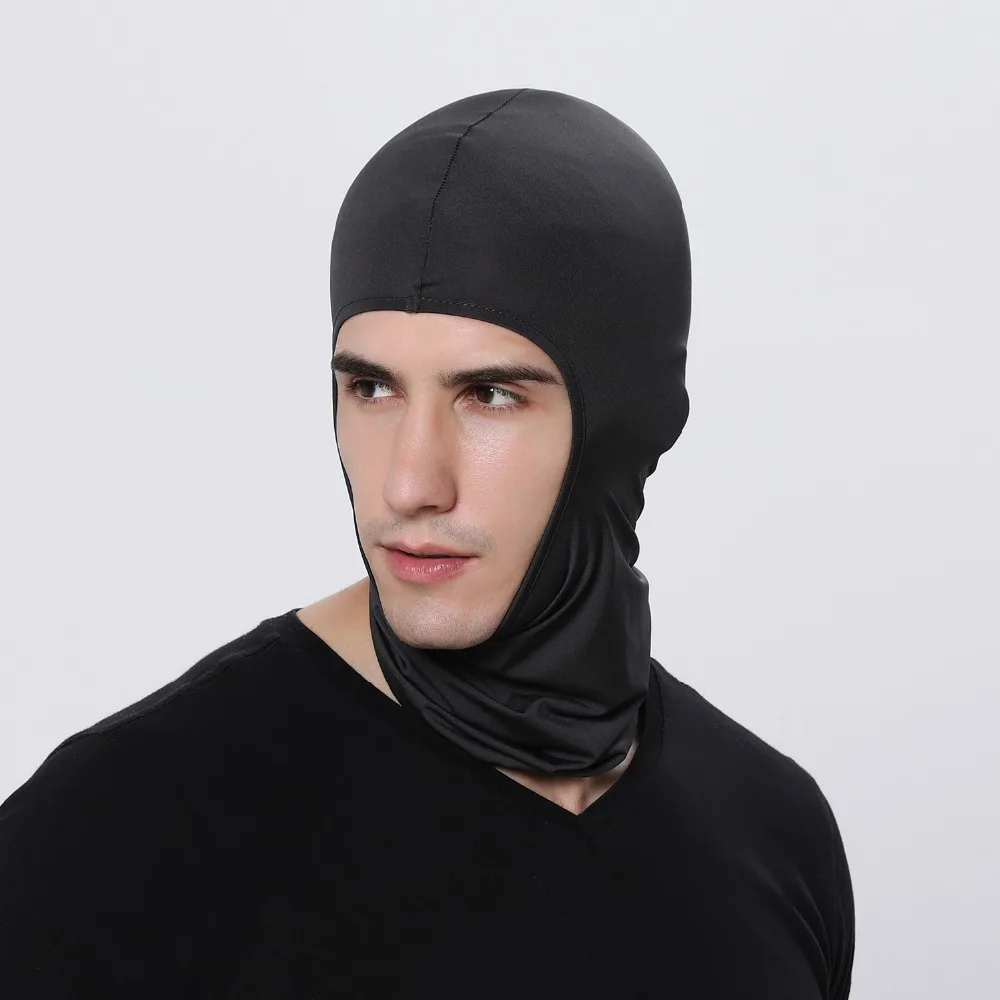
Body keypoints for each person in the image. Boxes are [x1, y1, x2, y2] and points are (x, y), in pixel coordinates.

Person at [0, 88, 855, 997]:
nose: (408, 484)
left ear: (632, 420)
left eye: (489, 395)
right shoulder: (113, 837)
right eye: (372, 389)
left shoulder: (771, 832)